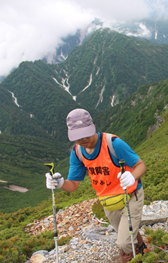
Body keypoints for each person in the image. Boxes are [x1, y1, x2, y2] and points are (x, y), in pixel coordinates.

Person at [45, 108, 146, 263]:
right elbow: (72, 185)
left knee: (124, 242)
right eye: (78, 137)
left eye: (86, 134)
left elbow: (140, 165)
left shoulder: (113, 144)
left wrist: (131, 177)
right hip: (108, 201)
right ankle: (143, 251)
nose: (83, 140)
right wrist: (59, 183)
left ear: (93, 127)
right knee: (125, 233)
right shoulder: (78, 152)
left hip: (131, 196)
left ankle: (131, 259)